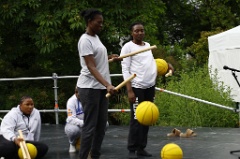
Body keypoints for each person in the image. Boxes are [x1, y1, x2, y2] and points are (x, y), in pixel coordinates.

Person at [120, 22, 173, 159]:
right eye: (136, 31)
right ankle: (132, 149)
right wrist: (129, 90)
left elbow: (150, 63)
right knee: (137, 118)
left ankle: (141, 148)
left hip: (150, 87)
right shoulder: (128, 47)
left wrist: (166, 65)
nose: (139, 33)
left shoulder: (148, 46)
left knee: (147, 118)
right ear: (132, 33)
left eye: (142, 30)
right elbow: (125, 69)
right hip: (137, 87)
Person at [77, 8, 121, 159]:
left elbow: (96, 58)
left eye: (102, 23)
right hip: (89, 88)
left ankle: (94, 155)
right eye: (98, 22)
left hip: (101, 87)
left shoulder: (95, 37)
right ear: (89, 22)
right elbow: (90, 66)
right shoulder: (85, 40)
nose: (101, 25)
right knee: (90, 127)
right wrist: (108, 84)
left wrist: (110, 57)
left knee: (102, 126)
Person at [64, 87, 109, 153]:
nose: (80, 96)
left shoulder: (91, 98)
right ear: (75, 93)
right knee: (72, 130)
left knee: (105, 123)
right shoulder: (71, 101)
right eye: (78, 94)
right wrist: (85, 123)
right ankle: (72, 143)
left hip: (89, 122)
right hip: (76, 125)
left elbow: (97, 113)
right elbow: (71, 119)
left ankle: (92, 143)